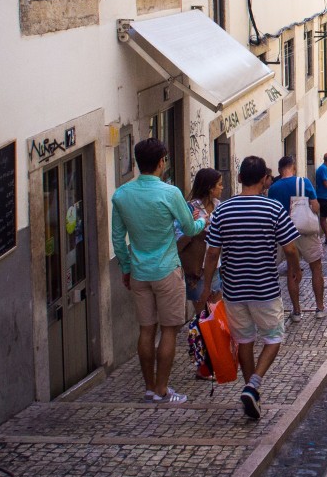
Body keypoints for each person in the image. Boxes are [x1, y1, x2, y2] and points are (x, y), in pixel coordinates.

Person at [201, 156, 300, 420]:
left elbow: (212, 254)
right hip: (264, 289)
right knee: (273, 337)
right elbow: (290, 247)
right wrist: (295, 269)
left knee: (244, 340)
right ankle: (253, 385)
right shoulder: (273, 209)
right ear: (264, 180)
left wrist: (206, 286)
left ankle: (250, 390)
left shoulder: (222, 211)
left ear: (240, 178)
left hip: (234, 290)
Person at [111, 138, 205, 404]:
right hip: (166, 270)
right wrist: (201, 220)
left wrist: (126, 269)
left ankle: (149, 387)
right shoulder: (170, 193)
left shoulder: (121, 195)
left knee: (146, 330)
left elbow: (118, 239)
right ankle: (162, 388)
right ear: (162, 161)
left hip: (139, 272)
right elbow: (189, 229)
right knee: (169, 330)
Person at [267, 156, 327, 320]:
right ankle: (320, 308)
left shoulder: (274, 188)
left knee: (292, 270)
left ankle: (296, 312)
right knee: (316, 267)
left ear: (279, 169)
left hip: (285, 234)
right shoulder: (303, 182)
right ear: (294, 167)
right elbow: (315, 206)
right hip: (305, 231)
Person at [181, 168, 225, 317]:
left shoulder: (219, 207)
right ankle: (202, 339)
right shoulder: (190, 208)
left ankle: (215, 340)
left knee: (216, 310)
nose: (222, 187)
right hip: (196, 268)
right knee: (202, 314)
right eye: (219, 184)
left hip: (215, 266)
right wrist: (193, 225)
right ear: (210, 188)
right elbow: (180, 237)